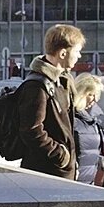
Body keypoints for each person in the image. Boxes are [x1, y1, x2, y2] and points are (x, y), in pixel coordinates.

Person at [18, 24, 83, 179]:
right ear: (62, 53)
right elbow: (31, 130)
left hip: (60, 171)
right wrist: (61, 156)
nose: (79, 56)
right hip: (46, 172)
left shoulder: (63, 81)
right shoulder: (37, 85)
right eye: (77, 51)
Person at [72, 73, 104, 185]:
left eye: (96, 95)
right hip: (73, 181)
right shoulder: (70, 118)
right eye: (91, 94)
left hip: (88, 182)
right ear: (81, 93)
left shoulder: (93, 120)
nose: (95, 99)